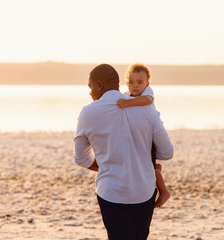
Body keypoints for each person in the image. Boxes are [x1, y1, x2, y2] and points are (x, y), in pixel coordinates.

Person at [74, 64, 174, 240]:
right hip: (144, 191)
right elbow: (166, 153)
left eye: (90, 87)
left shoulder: (88, 113)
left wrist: (107, 166)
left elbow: (81, 158)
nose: (90, 93)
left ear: (99, 85)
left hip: (111, 191)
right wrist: (138, 158)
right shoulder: (146, 107)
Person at [116, 63, 171, 208]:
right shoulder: (127, 95)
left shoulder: (147, 94)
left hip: (149, 138)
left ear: (147, 84)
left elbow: (147, 101)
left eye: (140, 83)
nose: (135, 86)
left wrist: (127, 104)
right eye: (131, 82)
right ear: (127, 83)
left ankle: (164, 191)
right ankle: (158, 168)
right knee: (151, 165)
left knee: (151, 168)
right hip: (140, 138)